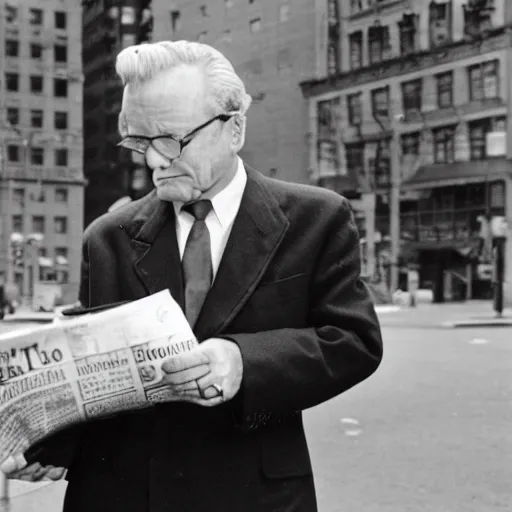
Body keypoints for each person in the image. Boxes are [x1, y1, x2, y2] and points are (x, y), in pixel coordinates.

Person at [2, 41, 383, 512]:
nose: (154, 162)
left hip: (253, 494)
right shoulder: (108, 236)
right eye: (139, 142)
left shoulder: (317, 218)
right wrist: (47, 445)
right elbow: (92, 377)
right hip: (121, 493)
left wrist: (244, 361)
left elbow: (353, 340)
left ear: (234, 128)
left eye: (170, 140)